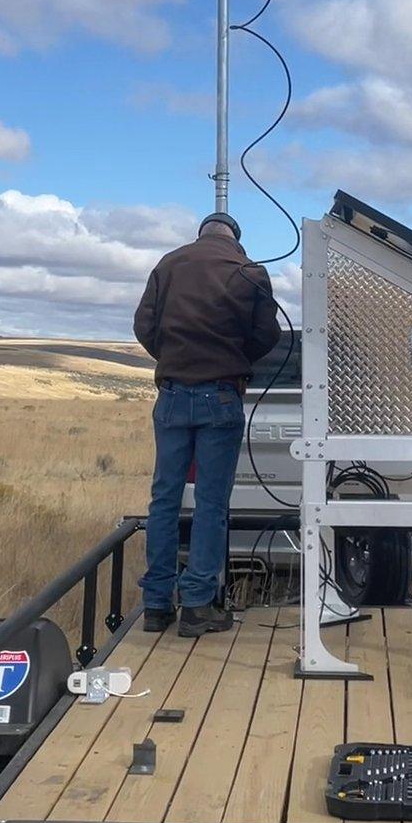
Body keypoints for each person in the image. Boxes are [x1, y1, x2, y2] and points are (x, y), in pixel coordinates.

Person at [133, 212, 281, 636]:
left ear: (201, 233)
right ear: (235, 237)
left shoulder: (168, 264)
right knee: (210, 504)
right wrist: (233, 357)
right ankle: (198, 605)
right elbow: (267, 335)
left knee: (164, 500)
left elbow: (144, 326)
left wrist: (174, 358)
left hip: (172, 395)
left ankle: (157, 605)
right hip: (221, 395)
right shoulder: (249, 271)